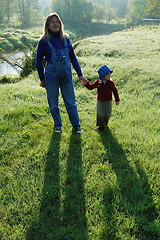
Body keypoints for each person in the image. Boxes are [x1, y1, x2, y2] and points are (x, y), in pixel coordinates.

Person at [36, 12, 86, 133]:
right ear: (47, 25)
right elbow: (38, 61)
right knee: (53, 103)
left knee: (71, 101)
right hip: (51, 76)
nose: (55, 24)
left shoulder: (66, 38)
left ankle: (76, 125)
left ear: (60, 24)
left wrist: (80, 74)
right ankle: (57, 124)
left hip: (66, 75)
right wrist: (42, 79)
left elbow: (73, 58)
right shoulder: (43, 41)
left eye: (57, 22)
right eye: (52, 22)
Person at [81, 65, 120, 131]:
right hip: (100, 101)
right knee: (100, 113)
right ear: (103, 75)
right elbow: (91, 87)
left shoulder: (110, 82)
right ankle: (101, 127)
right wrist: (86, 84)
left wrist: (117, 100)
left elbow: (115, 91)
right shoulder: (98, 82)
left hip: (108, 101)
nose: (109, 76)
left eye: (109, 74)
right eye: (107, 74)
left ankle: (105, 123)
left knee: (107, 113)